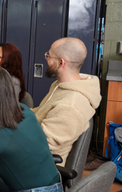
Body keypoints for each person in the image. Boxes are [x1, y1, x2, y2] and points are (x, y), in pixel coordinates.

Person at [32, 37, 101, 165]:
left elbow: (40, 145)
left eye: (49, 55)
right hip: (33, 153)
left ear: (61, 62)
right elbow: (40, 112)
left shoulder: (70, 106)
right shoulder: (60, 86)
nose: (46, 58)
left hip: (40, 168)